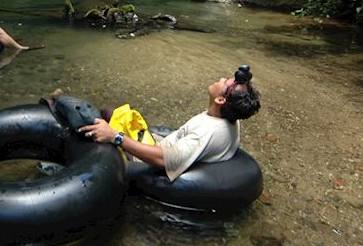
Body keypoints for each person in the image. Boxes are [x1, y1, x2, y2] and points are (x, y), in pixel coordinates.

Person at [79, 65, 261, 181]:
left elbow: (162, 160)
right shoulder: (228, 116)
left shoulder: (206, 133)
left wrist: (115, 137)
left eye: (225, 82)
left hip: (149, 163)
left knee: (97, 125)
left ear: (221, 100)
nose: (221, 79)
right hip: (164, 144)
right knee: (110, 113)